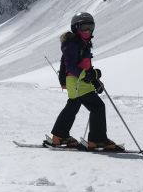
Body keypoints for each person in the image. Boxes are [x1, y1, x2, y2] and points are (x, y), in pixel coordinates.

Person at [49, 12, 121, 151]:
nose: (87, 30)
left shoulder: (82, 43)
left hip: (78, 81)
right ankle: (97, 140)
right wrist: (90, 75)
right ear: (76, 28)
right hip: (76, 81)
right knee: (97, 107)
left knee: (73, 106)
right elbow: (70, 65)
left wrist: (94, 80)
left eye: (90, 26)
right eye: (84, 27)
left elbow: (84, 65)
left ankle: (59, 136)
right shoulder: (72, 43)